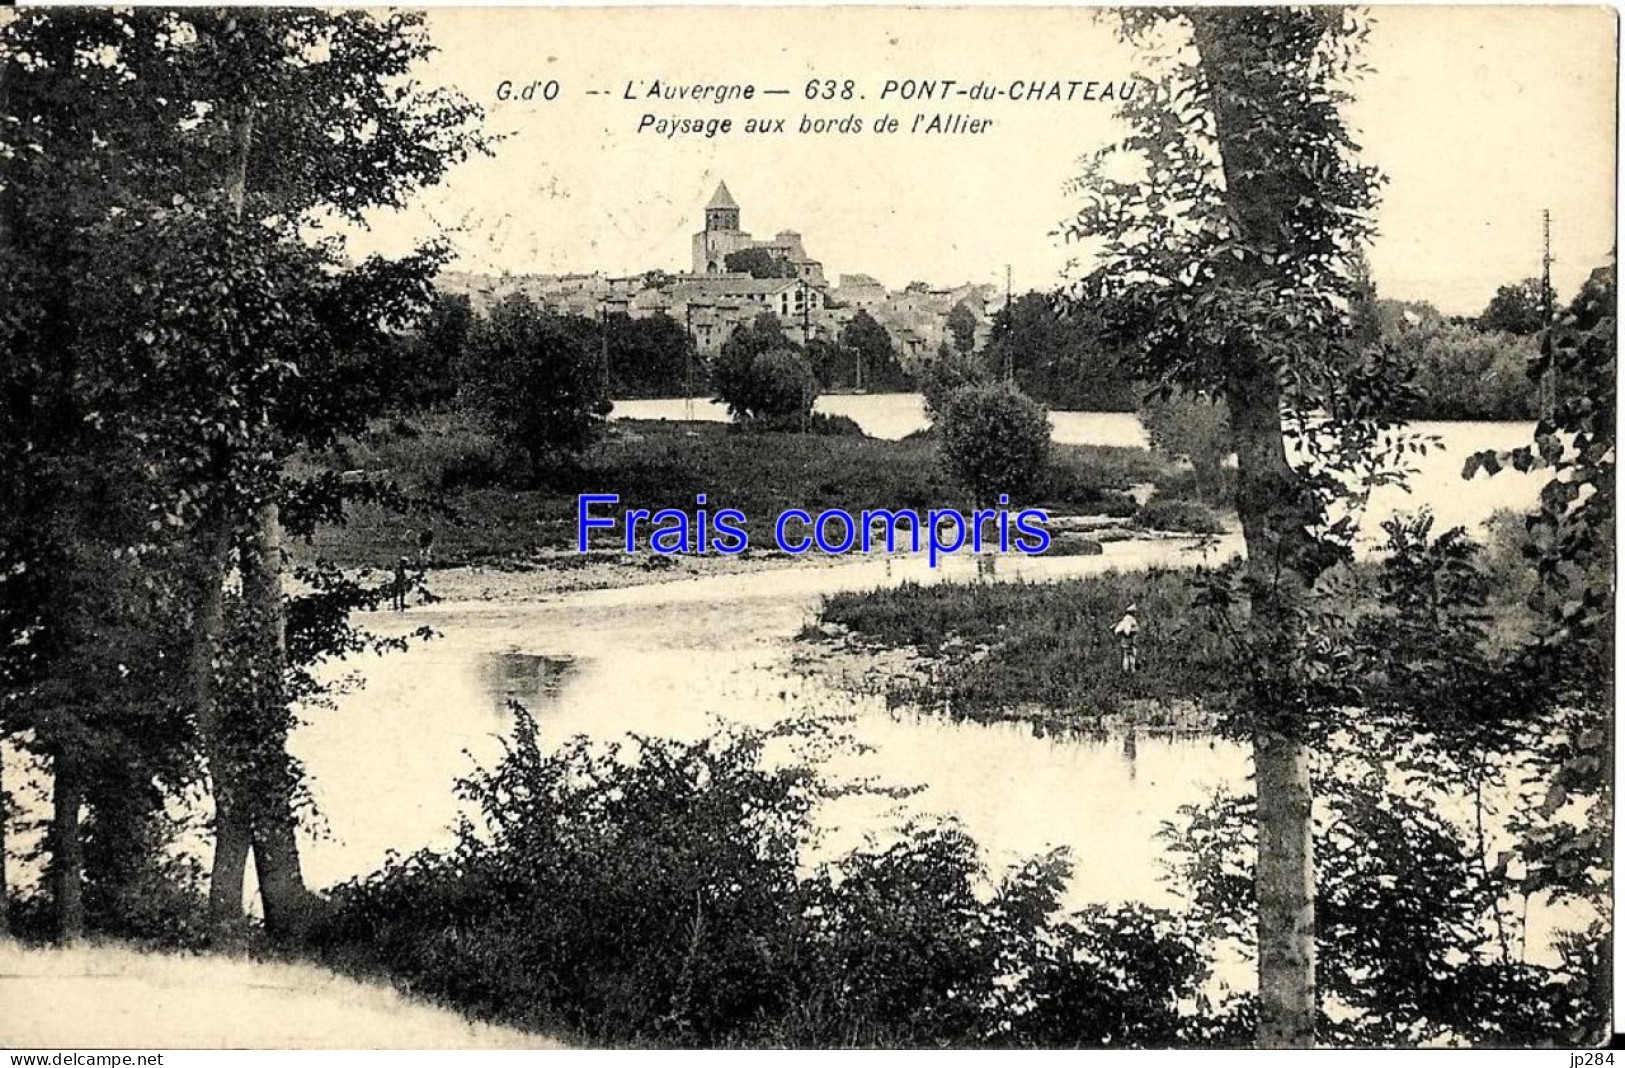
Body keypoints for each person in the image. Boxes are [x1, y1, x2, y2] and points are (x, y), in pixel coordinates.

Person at [1113, 602, 1139, 674]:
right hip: (1130, 639)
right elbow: (1127, 631)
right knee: (1131, 655)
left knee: (1126, 656)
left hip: (1125, 640)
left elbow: (1117, 630)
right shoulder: (1130, 619)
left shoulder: (1124, 619)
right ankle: (1131, 670)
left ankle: (1126, 670)